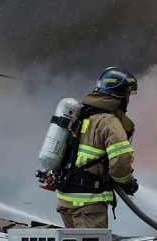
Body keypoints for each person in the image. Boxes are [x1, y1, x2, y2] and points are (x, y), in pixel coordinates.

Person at [56, 67, 139, 228]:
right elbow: (121, 162)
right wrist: (127, 182)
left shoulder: (81, 113)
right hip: (88, 205)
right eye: (128, 94)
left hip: (66, 199)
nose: (129, 99)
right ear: (120, 95)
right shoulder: (109, 122)